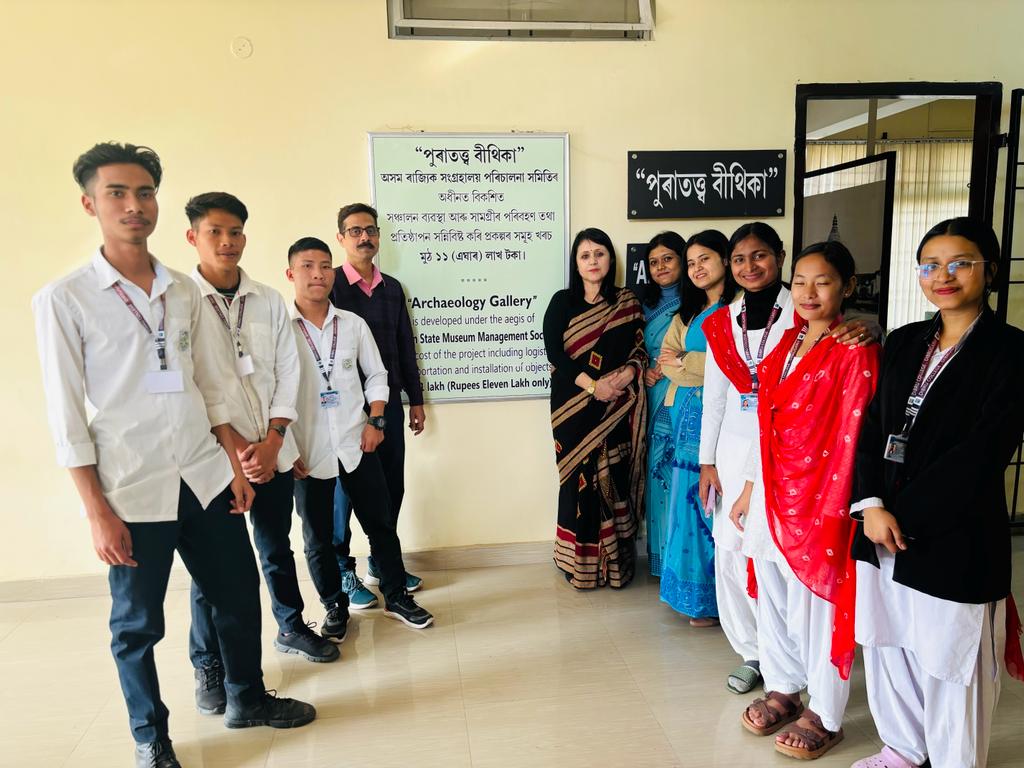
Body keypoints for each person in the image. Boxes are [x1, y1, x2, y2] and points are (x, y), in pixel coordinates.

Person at [32, 143, 314, 768]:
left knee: (236, 594)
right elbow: (66, 417)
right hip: (131, 486)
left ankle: (246, 698)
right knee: (138, 626)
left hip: (204, 474)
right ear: (90, 204)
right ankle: (150, 737)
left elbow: (209, 386)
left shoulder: (183, 291)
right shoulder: (65, 299)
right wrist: (95, 511)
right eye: (117, 193)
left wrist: (233, 465)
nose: (134, 205)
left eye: (145, 192)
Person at [849, 217, 1024, 768]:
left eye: (960, 263)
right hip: (881, 523)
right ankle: (903, 749)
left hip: (955, 531)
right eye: (930, 265)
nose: (942, 276)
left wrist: (902, 514)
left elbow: (984, 451)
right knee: (890, 641)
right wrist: (871, 505)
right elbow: (872, 427)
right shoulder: (905, 341)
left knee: (953, 658)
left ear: (989, 271)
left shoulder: (1011, 351)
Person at [699, 222, 873, 694]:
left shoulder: (803, 314)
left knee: (782, 561)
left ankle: (794, 666)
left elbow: (845, 342)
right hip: (737, 449)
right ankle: (753, 652)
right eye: (739, 259)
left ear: (778, 256)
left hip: (796, 453)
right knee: (732, 553)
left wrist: (870, 326)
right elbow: (714, 396)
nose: (749, 266)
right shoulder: (720, 322)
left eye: (759, 256)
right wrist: (706, 460)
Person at [185, 191, 339, 711]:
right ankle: (209, 665)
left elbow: (288, 373)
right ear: (193, 237)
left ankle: (290, 625)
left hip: (272, 450)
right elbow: (196, 386)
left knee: (276, 547)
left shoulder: (269, 300)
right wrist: (237, 453)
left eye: (235, 232)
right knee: (213, 568)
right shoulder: (182, 302)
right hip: (214, 459)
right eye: (214, 232)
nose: (226, 242)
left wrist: (273, 442)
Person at [730, 241, 878, 760]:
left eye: (823, 282)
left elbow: (855, 436)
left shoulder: (855, 349)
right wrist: (750, 487)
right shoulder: (789, 340)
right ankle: (784, 688)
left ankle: (826, 713)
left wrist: (841, 503)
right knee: (771, 594)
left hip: (821, 495)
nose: (809, 292)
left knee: (816, 604)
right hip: (773, 491)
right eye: (800, 282)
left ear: (848, 287)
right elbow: (766, 419)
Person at [287, 237, 434, 630]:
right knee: (318, 538)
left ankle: (396, 597)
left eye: (324, 266)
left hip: (358, 443)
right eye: (307, 266)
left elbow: (377, 374)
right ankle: (334, 607)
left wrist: (376, 420)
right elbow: (273, 392)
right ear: (291, 274)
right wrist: (286, 448)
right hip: (309, 451)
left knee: (381, 525)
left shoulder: (352, 324)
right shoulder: (281, 330)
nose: (318, 274)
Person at [330, 203, 425, 609]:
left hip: (387, 406)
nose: (364, 237)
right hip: (344, 412)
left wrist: (416, 399)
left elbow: (405, 346)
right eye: (355, 231)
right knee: (343, 495)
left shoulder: (392, 288)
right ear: (341, 238)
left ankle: (383, 563)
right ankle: (342, 570)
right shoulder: (331, 285)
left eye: (370, 230)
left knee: (390, 487)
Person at [542, 227, 647, 589]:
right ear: (576, 263)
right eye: (585, 255)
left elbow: (639, 348)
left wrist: (628, 374)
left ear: (610, 259)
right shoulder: (562, 302)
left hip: (615, 406)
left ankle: (614, 563)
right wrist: (594, 386)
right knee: (577, 482)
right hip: (572, 408)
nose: (593, 261)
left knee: (612, 477)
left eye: (599, 253)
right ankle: (577, 561)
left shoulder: (626, 301)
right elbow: (555, 354)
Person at [657, 230, 736, 626]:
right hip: (686, 417)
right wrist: (695, 363)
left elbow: (733, 365)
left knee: (716, 501)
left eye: (704, 258)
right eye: (691, 263)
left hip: (722, 417)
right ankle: (691, 596)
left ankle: (717, 601)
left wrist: (687, 361)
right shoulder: (688, 313)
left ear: (725, 259)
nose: (697, 268)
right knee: (688, 502)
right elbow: (665, 360)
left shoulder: (738, 308)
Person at [639, 232, 684, 577]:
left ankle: (682, 561)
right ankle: (661, 559)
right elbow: (634, 349)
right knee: (657, 471)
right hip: (654, 395)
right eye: (654, 262)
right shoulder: (643, 306)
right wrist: (643, 370)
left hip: (684, 392)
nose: (660, 267)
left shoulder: (696, 303)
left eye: (667, 259)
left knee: (680, 471)